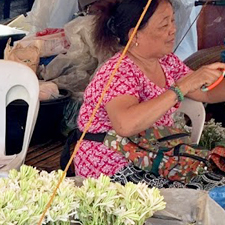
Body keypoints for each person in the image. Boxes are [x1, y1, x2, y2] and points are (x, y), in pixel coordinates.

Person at [75, 0, 225, 188]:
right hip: (112, 168)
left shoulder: (166, 61)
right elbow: (125, 124)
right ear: (135, 35)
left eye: (172, 21)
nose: (172, 29)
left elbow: (208, 94)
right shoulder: (118, 71)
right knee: (205, 191)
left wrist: (193, 82)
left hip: (153, 156)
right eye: (164, 25)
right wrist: (181, 87)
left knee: (216, 182)